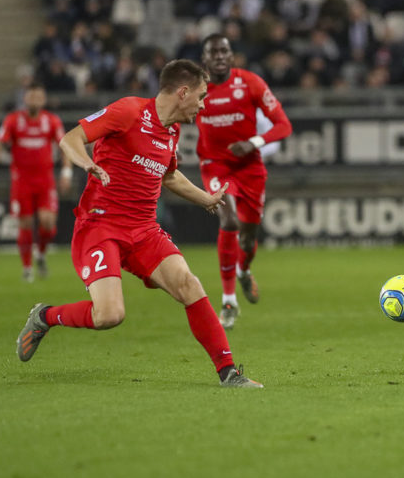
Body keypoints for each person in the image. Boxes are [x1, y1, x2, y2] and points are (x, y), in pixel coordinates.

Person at [15, 59, 262, 388]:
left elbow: (169, 175)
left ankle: (228, 372)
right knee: (109, 316)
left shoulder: (171, 131)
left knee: (189, 285)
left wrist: (206, 198)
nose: (203, 105)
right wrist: (88, 164)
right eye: (201, 97)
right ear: (183, 92)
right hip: (101, 227)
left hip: (145, 230)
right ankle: (45, 316)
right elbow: (70, 140)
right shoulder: (129, 110)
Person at [197, 34, 292, 329]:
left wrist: (253, 142)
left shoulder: (249, 82)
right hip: (215, 166)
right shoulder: (196, 89)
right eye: (213, 53)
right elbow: (172, 117)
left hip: (250, 167)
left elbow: (283, 125)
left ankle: (243, 271)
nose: (220, 57)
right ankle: (229, 301)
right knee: (228, 221)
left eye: (224, 51)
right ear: (205, 59)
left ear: (231, 55)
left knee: (249, 237)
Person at [0, 83, 73, 282]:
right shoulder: (13, 120)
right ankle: (27, 268)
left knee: (48, 224)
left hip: (45, 180)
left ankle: (41, 254)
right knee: (25, 223)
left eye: (38, 97)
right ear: (25, 99)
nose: (35, 100)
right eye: (31, 97)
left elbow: (64, 147)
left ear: (43, 100)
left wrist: (66, 173)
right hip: (22, 181)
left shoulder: (51, 121)